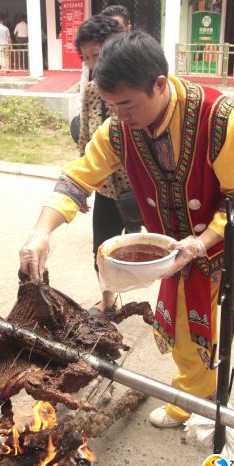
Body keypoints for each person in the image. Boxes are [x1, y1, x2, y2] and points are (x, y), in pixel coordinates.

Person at [19, 31, 234, 459]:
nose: (121, 117)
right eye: (112, 106)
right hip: (177, 246)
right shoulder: (119, 132)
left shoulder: (220, 118)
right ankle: (192, 400)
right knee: (183, 329)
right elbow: (77, 177)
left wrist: (203, 243)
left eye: (128, 105)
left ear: (160, 84)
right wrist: (41, 232)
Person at [75, 15, 139, 315]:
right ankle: (108, 303)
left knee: (159, 252)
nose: (92, 63)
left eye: (97, 55)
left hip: (142, 188)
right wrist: (82, 187)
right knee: (102, 252)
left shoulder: (136, 87)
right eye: (86, 57)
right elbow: (86, 140)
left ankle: (171, 308)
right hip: (107, 189)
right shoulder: (89, 92)